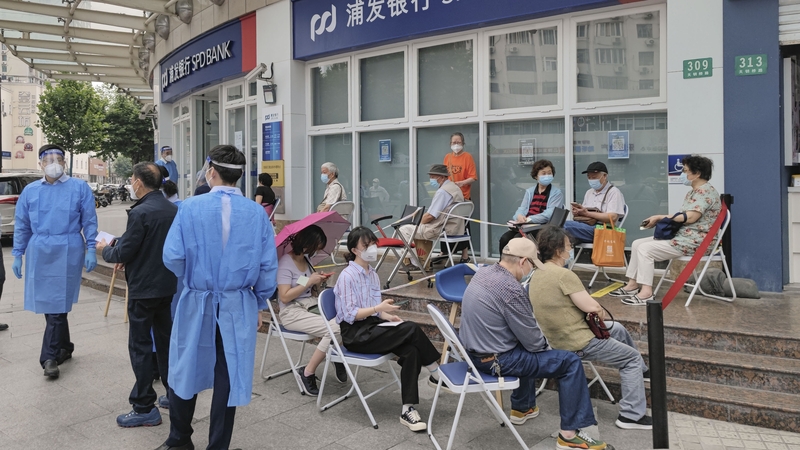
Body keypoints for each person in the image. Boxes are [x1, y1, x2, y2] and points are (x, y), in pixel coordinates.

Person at [157, 145, 278, 450]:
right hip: (238, 304)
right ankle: (218, 445)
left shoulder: (189, 208)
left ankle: (179, 439)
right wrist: (260, 301)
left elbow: (173, 257)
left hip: (197, 299)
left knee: (185, 366)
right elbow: (267, 267)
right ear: (238, 176)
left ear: (211, 172)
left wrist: (195, 277)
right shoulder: (256, 213)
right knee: (228, 373)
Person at [459, 237, 609, 450]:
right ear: (522, 262)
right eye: (531, 264)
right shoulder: (511, 289)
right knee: (570, 362)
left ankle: (523, 407)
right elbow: (534, 343)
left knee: (524, 348)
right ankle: (569, 434)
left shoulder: (484, 272)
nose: (532, 270)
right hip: (496, 360)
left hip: (475, 352)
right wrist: (554, 348)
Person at [529, 225, 652, 430]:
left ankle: (642, 371)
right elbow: (594, 309)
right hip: (578, 341)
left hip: (555, 338)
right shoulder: (563, 275)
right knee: (630, 358)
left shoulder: (537, 273)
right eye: (569, 247)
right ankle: (631, 415)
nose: (571, 251)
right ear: (559, 251)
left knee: (618, 329)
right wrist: (598, 312)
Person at [334, 226, 442, 432]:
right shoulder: (347, 276)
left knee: (411, 351)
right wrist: (378, 309)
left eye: (373, 243)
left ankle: (407, 409)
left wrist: (386, 314)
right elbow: (350, 314)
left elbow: (376, 310)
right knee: (410, 328)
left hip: (373, 327)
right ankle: (436, 372)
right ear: (355, 250)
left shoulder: (372, 274)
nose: (372, 248)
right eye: (366, 245)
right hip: (355, 334)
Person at [97, 162, 178, 428]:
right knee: (166, 343)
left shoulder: (141, 212)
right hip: (166, 287)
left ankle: (144, 405)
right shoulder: (171, 208)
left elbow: (125, 251)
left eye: (132, 179)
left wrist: (106, 250)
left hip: (144, 289)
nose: (131, 183)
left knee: (140, 347)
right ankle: (173, 395)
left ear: (139, 183)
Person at [11, 144, 98, 379]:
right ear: (40, 163)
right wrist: (18, 253)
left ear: (65, 162)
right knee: (51, 304)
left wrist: (91, 247)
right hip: (40, 249)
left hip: (68, 248)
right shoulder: (30, 191)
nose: (54, 163)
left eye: (58, 158)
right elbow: (22, 224)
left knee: (58, 305)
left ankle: (48, 357)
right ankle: (65, 347)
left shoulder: (79, 188)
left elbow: (89, 220)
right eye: (48, 159)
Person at [611, 155, 721, 306]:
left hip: (696, 242)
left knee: (645, 249)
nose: (682, 174)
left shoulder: (705, 192)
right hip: (685, 238)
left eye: (685, 171)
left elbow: (690, 218)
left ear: (697, 174)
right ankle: (632, 284)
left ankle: (646, 293)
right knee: (637, 244)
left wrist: (660, 217)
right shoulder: (693, 192)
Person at [276, 225, 347, 396]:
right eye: (316, 248)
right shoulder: (286, 262)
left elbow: (303, 287)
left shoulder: (306, 259)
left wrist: (316, 282)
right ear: (307, 243)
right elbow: (285, 296)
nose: (316, 252)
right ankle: (308, 371)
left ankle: (333, 350)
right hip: (292, 311)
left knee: (347, 319)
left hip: (310, 305)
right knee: (336, 328)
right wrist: (308, 282)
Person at [398, 164, 464, 271]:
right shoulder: (455, 188)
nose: (431, 179)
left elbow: (430, 216)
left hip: (440, 229)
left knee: (403, 229)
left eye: (433, 177)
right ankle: (418, 261)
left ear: (442, 177)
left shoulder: (442, 192)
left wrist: (418, 221)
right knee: (411, 227)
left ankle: (415, 263)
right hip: (454, 228)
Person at [498, 159, 565, 252]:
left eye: (549, 173)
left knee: (517, 240)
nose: (547, 176)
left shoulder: (557, 193)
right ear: (536, 176)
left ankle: (521, 265)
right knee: (504, 239)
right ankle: (503, 265)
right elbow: (522, 208)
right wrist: (519, 216)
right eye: (543, 173)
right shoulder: (529, 191)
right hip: (525, 226)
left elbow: (549, 214)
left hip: (542, 227)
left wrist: (528, 219)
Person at [563, 161, 626, 244]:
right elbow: (585, 214)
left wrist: (587, 213)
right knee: (558, 225)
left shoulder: (614, 192)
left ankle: (564, 252)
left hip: (604, 229)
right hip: (587, 226)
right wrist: (578, 212)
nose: (591, 180)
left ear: (604, 176)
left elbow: (613, 217)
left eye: (594, 177)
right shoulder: (589, 192)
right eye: (589, 177)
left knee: (563, 227)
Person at [443, 132, 477, 263]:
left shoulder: (467, 157)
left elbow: (473, 177)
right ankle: (445, 252)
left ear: (463, 143)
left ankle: (465, 255)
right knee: (447, 223)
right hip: (449, 197)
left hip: (463, 198)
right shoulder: (447, 157)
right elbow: (444, 174)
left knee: (464, 226)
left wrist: (461, 183)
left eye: (458, 142)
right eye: (453, 142)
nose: (456, 145)